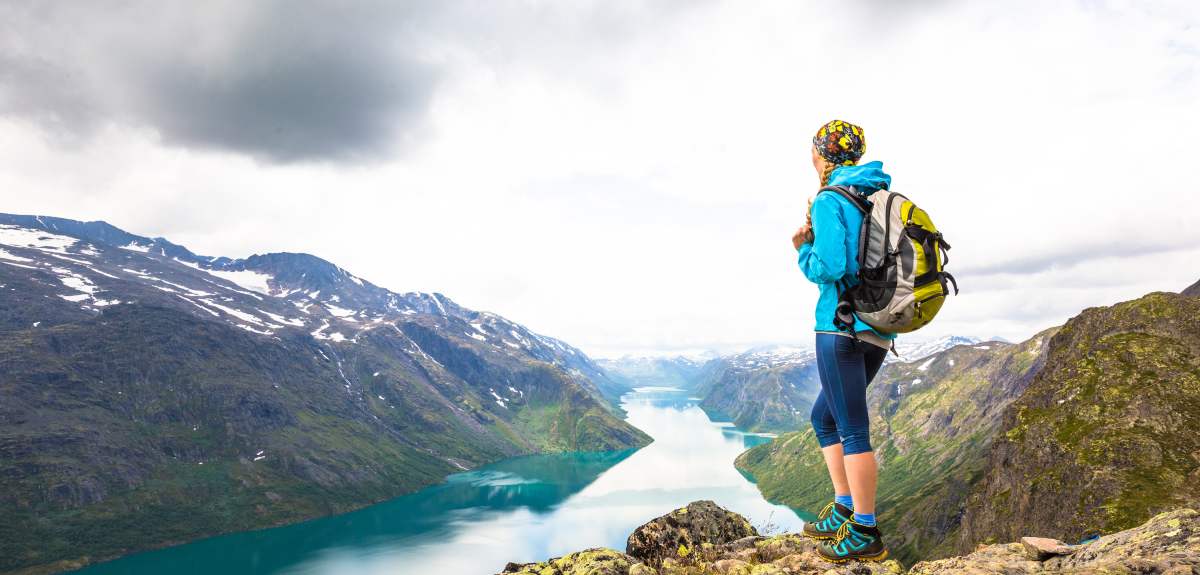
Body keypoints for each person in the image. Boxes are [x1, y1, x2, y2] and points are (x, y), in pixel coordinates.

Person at [790, 119, 894, 562]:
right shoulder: (875, 196)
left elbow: (829, 266)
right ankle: (844, 507)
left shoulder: (832, 198)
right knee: (824, 417)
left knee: (851, 429)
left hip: (839, 327)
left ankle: (865, 530)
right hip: (877, 329)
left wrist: (801, 247)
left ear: (822, 155)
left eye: (813, 151)